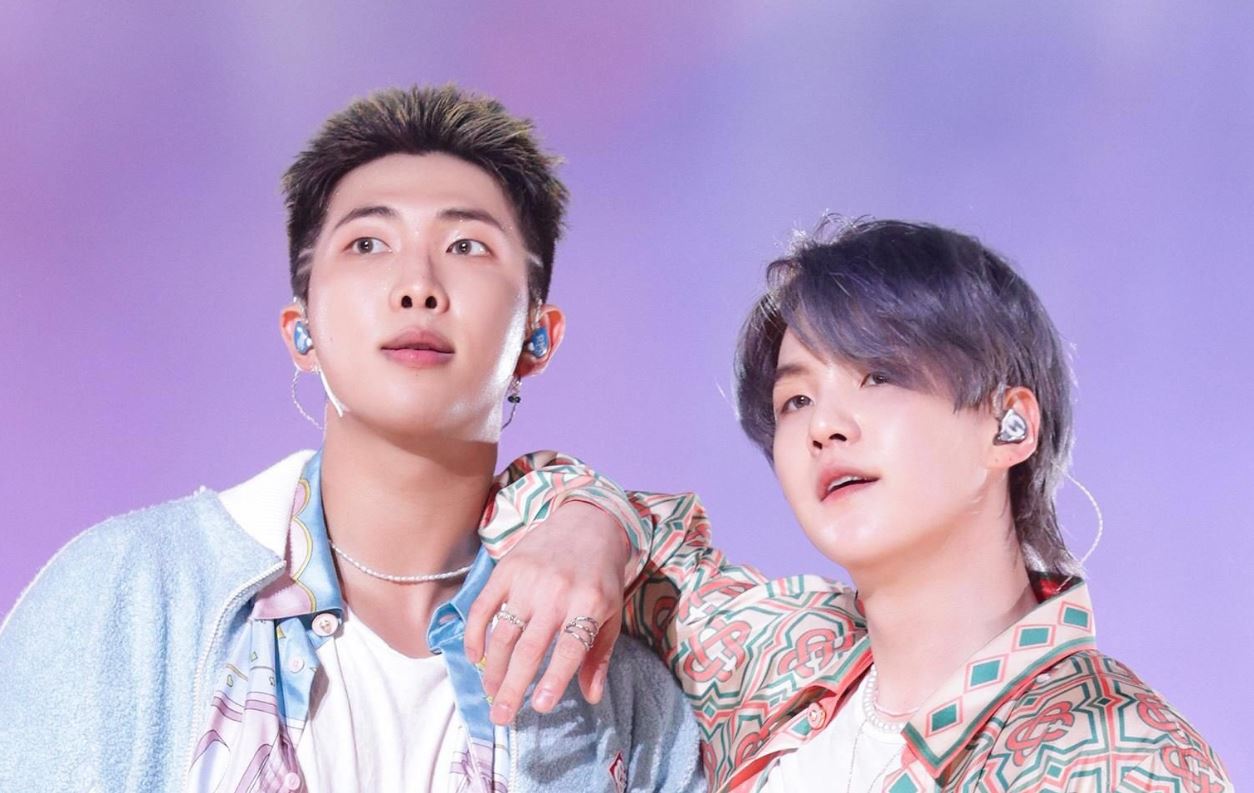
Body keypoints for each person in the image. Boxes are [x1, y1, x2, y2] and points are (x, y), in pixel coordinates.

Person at [0, 85, 703, 793]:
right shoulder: (129, 594)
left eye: (467, 245)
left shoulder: (623, 692)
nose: (417, 286)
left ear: (537, 337)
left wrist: (603, 523)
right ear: (301, 331)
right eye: (368, 244)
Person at [478, 218, 1231, 791]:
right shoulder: (785, 662)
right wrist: (592, 529)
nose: (824, 426)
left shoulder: (1124, 755)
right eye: (797, 399)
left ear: (1008, 425)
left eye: (880, 376)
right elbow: (516, 503)